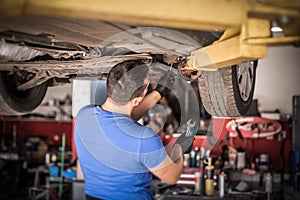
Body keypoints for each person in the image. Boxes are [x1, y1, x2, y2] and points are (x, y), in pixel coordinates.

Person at [74, 60, 184, 200]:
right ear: (137, 100)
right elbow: (172, 177)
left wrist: (157, 93)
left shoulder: (84, 116)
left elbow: (122, 119)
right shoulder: (144, 138)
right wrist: (179, 148)